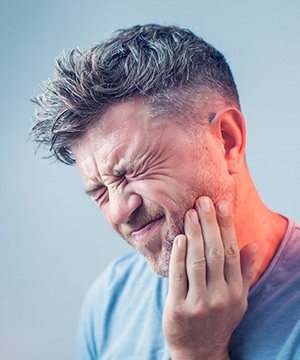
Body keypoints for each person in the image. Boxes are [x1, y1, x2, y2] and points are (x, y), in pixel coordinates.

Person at [30, 24, 300, 359]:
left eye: (132, 170)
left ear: (228, 141)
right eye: (99, 191)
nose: (118, 211)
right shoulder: (109, 303)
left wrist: (199, 352)